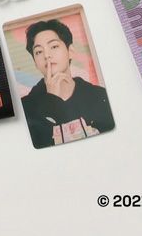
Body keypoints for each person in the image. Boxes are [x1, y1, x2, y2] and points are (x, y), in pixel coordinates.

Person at [20, 18, 115, 149]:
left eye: (54, 46)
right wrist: (52, 101)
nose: (46, 55)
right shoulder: (26, 108)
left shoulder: (99, 96)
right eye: (38, 52)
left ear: (70, 51)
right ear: (35, 62)